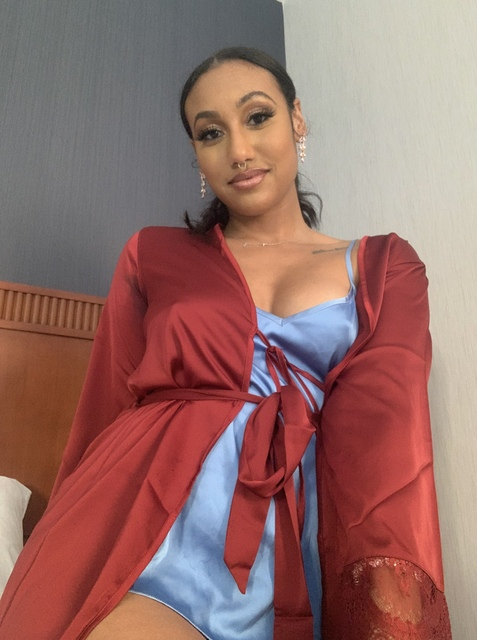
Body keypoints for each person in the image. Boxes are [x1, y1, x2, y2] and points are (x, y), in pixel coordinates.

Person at [0, 47, 451, 640]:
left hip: (299, 532)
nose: (238, 150)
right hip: (153, 526)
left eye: (258, 116)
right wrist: (66, 540)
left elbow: (389, 443)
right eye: (211, 132)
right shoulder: (152, 254)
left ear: (297, 118)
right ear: (197, 154)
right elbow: (104, 412)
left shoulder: (386, 267)